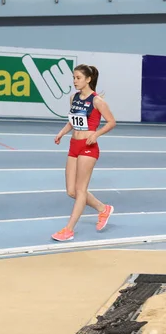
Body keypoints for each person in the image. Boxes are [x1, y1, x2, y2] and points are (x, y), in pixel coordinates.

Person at [51, 64, 116, 242]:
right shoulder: (73, 98)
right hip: (74, 145)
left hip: (89, 147)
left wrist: (96, 134)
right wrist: (61, 133)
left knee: (81, 190)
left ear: (88, 79)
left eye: (78, 78)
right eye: (73, 77)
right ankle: (103, 209)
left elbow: (111, 122)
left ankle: (69, 229)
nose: (75, 81)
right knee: (71, 191)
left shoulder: (97, 101)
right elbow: (72, 121)